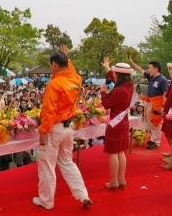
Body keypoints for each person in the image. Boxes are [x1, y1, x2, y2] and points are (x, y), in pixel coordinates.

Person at [33, 45, 92, 209]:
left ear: (55, 65)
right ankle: (82, 195)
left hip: (54, 129)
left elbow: (48, 111)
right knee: (67, 163)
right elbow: (69, 69)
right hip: (68, 128)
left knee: (47, 166)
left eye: (51, 64)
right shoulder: (76, 79)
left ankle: (46, 201)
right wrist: (65, 56)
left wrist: (43, 132)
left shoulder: (54, 84)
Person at [100, 58, 135, 190]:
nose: (113, 75)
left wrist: (103, 91)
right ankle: (121, 179)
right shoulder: (128, 86)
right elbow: (116, 81)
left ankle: (114, 181)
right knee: (121, 152)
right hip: (123, 122)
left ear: (119, 75)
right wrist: (108, 68)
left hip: (115, 124)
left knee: (113, 153)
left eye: (115, 73)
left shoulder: (119, 90)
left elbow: (107, 105)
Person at [129, 56, 168, 150]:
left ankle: (156, 142)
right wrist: (132, 63)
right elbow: (141, 70)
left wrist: (163, 106)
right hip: (150, 102)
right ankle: (153, 139)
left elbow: (165, 94)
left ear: (156, 68)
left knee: (156, 122)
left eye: (150, 67)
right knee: (150, 122)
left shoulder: (162, 80)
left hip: (158, 104)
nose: (148, 69)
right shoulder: (151, 77)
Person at [160, 62, 172, 169]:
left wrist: (165, 109)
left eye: (171, 69)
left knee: (170, 135)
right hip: (169, 111)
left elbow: (170, 98)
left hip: (170, 112)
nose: (169, 71)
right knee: (168, 134)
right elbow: (168, 96)